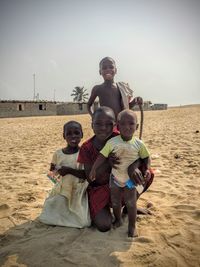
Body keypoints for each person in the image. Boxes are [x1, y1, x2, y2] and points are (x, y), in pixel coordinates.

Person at [89, 109, 151, 237]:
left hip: (130, 180)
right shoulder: (112, 142)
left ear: (137, 126)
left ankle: (132, 226)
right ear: (117, 126)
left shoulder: (139, 144)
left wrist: (148, 169)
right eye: (123, 124)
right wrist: (94, 169)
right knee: (116, 202)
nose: (127, 127)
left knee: (131, 202)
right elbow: (102, 156)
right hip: (115, 179)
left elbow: (146, 157)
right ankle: (118, 219)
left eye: (131, 124)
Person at [39, 121, 91, 228]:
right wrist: (58, 175)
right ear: (64, 136)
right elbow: (52, 173)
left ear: (82, 134)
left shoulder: (84, 152)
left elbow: (86, 175)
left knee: (83, 222)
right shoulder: (58, 154)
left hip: (78, 190)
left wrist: (69, 171)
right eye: (69, 134)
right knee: (49, 215)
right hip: (62, 189)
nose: (73, 136)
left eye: (76, 133)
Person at [77, 106, 118, 232]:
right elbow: (91, 179)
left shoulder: (120, 139)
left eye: (108, 124)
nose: (103, 128)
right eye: (98, 124)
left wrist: (137, 168)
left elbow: (137, 154)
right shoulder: (87, 147)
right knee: (104, 225)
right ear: (92, 125)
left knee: (147, 174)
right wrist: (107, 163)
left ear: (115, 125)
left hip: (119, 186)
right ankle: (103, 207)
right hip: (98, 188)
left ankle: (129, 206)